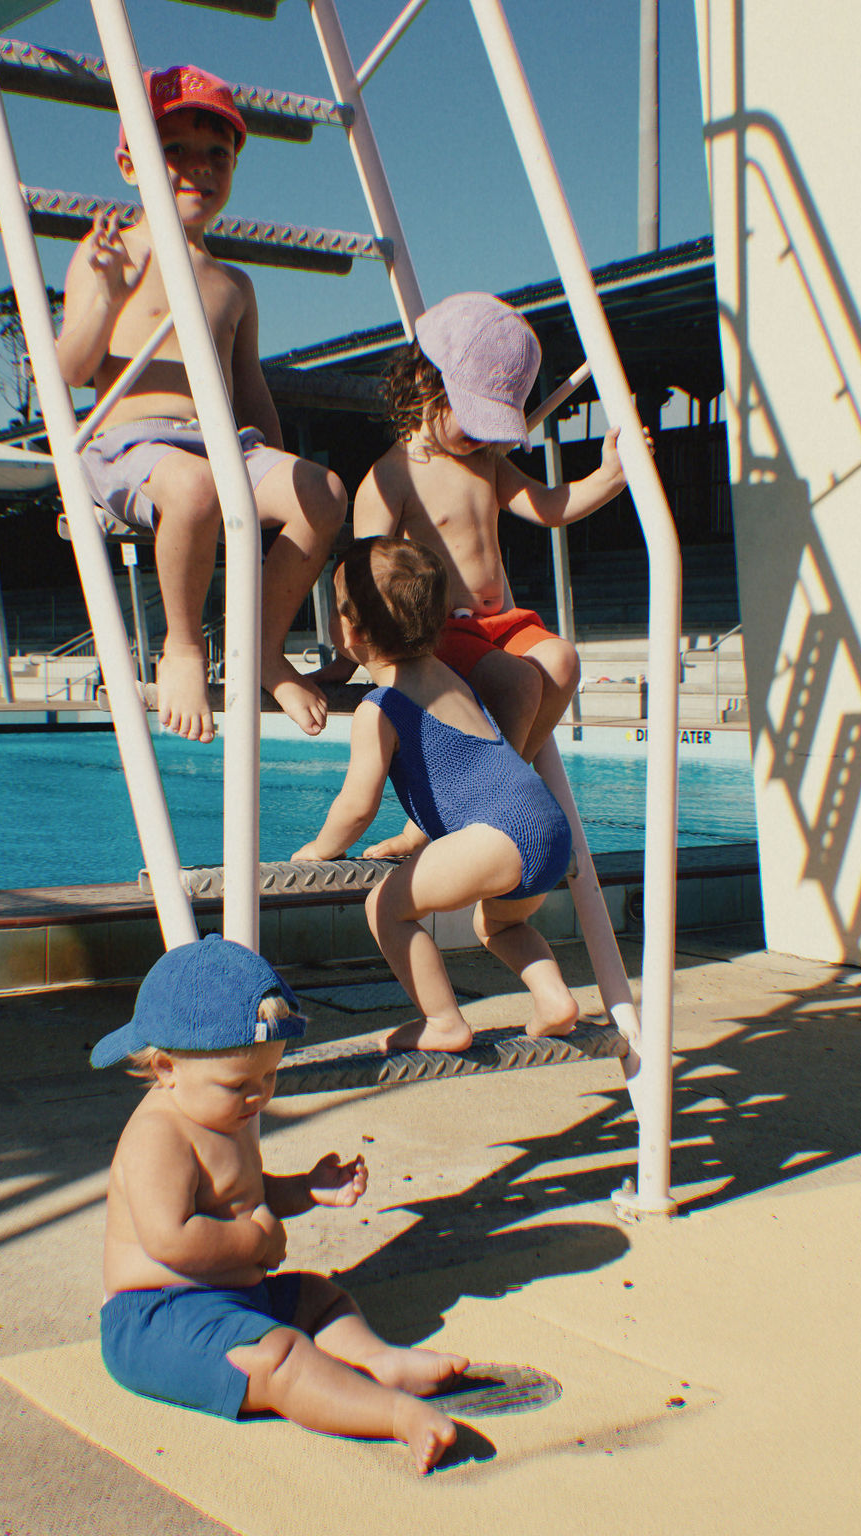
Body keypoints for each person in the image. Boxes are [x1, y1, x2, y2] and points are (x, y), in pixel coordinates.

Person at [91, 934, 468, 1473]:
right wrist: (255, 1240)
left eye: (269, 1075)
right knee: (279, 1357)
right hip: (157, 1317)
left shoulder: (224, 1112)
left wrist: (305, 1190)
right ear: (168, 1069)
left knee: (319, 1298)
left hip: (233, 1297)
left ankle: (375, 1360)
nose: (258, 1095)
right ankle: (393, 1415)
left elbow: (244, 1191)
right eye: (238, 1083)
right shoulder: (159, 1137)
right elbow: (171, 1238)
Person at [57, 65, 346, 744]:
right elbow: (70, 369)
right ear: (131, 166)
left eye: (217, 154)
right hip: (132, 446)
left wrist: (282, 473)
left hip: (227, 446)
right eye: (175, 150)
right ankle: (183, 646)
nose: (198, 168)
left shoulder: (233, 284)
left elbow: (251, 393)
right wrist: (102, 294)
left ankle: (263, 647)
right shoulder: (111, 255)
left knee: (325, 490)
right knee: (190, 489)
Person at [351, 291, 647, 859]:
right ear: (427, 386)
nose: (484, 437)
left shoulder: (486, 461)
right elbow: (365, 572)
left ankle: (496, 793)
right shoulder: (391, 479)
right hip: (441, 634)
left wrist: (611, 478)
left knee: (560, 660)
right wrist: (357, 652)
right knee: (519, 683)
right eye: (475, 420)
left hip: (501, 623)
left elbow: (546, 505)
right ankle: (470, 808)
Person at [292, 537, 578, 1054]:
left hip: (499, 835)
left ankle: (443, 1021)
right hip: (548, 826)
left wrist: (319, 850)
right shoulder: (450, 679)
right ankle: (554, 999)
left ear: (348, 629)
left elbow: (357, 806)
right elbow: (457, 768)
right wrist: (414, 834)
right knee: (499, 924)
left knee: (385, 907)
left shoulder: (380, 707)